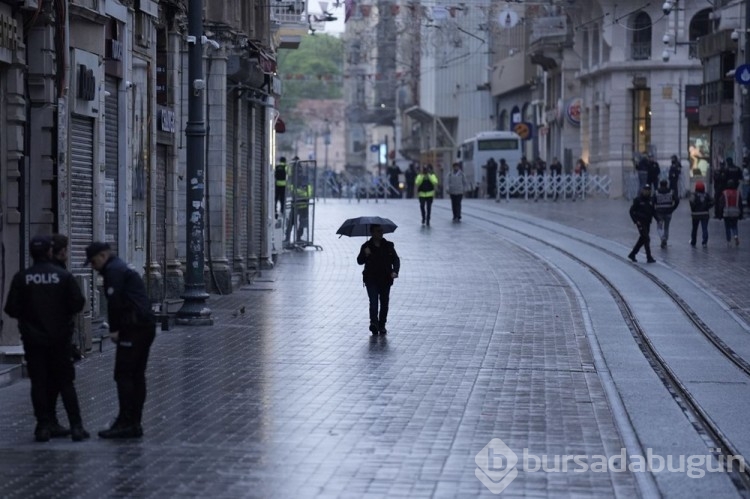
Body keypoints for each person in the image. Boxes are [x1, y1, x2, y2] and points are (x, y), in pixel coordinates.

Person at [4, 235, 89, 442]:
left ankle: (43, 427)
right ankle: (76, 426)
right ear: (50, 252)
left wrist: (30, 318)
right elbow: (78, 303)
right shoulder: (62, 276)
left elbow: (11, 308)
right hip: (60, 339)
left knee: (39, 383)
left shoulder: (22, 278)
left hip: (34, 341)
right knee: (66, 382)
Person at [85, 242, 156, 439]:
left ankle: (126, 422)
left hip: (133, 327)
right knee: (136, 375)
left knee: (124, 374)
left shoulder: (113, 271)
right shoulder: (120, 267)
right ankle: (134, 422)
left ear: (103, 255)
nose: (93, 266)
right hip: (145, 325)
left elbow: (114, 302)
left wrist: (115, 330)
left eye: (93, 261)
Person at [356, 225, 400, 334]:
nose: (381, 233)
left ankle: (382, 325)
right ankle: (374, 324)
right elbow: (359, 261)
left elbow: (396, 259)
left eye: (382, 231)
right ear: (372, 232)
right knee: (374, 302)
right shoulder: (366, 246)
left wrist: (395, 271)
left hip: (385, 279)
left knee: (384, 303)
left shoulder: (388, 245)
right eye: (378, 231)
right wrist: (365, 254)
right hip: (371, 279)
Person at [628, 184, 656, 263]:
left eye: (648, 190)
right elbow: (631, 211)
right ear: (642, 191)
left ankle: (633, 254)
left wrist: (658, 220)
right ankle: (649, 257)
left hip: (647, 222)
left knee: (643, 239)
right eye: (645, 190)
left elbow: (653, 211)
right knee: (646, 238)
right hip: (640, 222)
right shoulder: (638, 200)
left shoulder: (651, 200)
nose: (647, 192)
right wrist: (635, 221)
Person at [717, 179, 743, 246]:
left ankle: (728, 241)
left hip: (727, 212)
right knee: (734, 226)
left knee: (727, 227)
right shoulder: (737, 193)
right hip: (735, 212)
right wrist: (741, 214)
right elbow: (740, 204)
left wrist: (720, 214)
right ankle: (735, 235)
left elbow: (721, 204)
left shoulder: (724, 193)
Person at [653, 179, 679, 248]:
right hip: (668, 212)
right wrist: (673, 208)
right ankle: (665, 241)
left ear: (660, 184)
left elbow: (653, 202)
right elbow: (677, 200)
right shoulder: (671, 192)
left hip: (659, 213)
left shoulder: (656, 192)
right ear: (666, 184)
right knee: (666, 228)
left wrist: (654, 210)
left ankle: (662, 238)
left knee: (659, 227)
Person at [689, 181, 714, 248]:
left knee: (694, 228)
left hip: (695, 214)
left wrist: (694, 208)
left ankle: (693, 241)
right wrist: (707, 206)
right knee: (704, 228)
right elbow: (712, 201)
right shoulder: (706, 195)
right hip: (705, 214)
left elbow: (691, 202)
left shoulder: (693, 195)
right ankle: (704, 242)